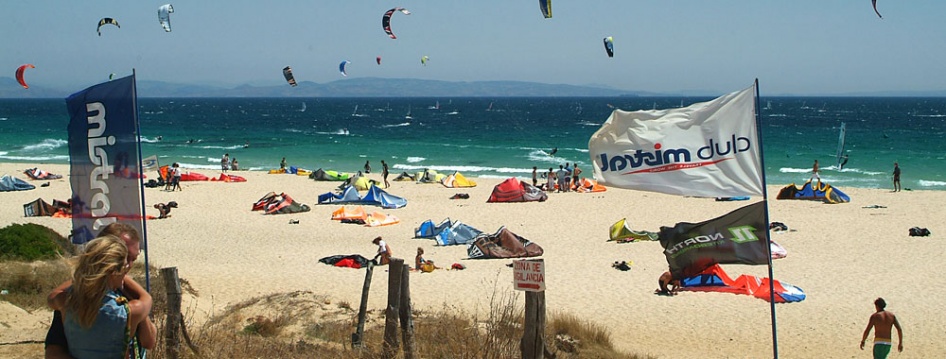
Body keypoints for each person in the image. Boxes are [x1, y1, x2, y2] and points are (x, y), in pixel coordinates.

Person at [45, 223, 147, 359]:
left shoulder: (69, 300)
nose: (128, 265)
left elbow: (52, 297)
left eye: (133, 259)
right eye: (125, 258)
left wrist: (86, 276)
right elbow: (54, 353)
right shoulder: (131, 307)